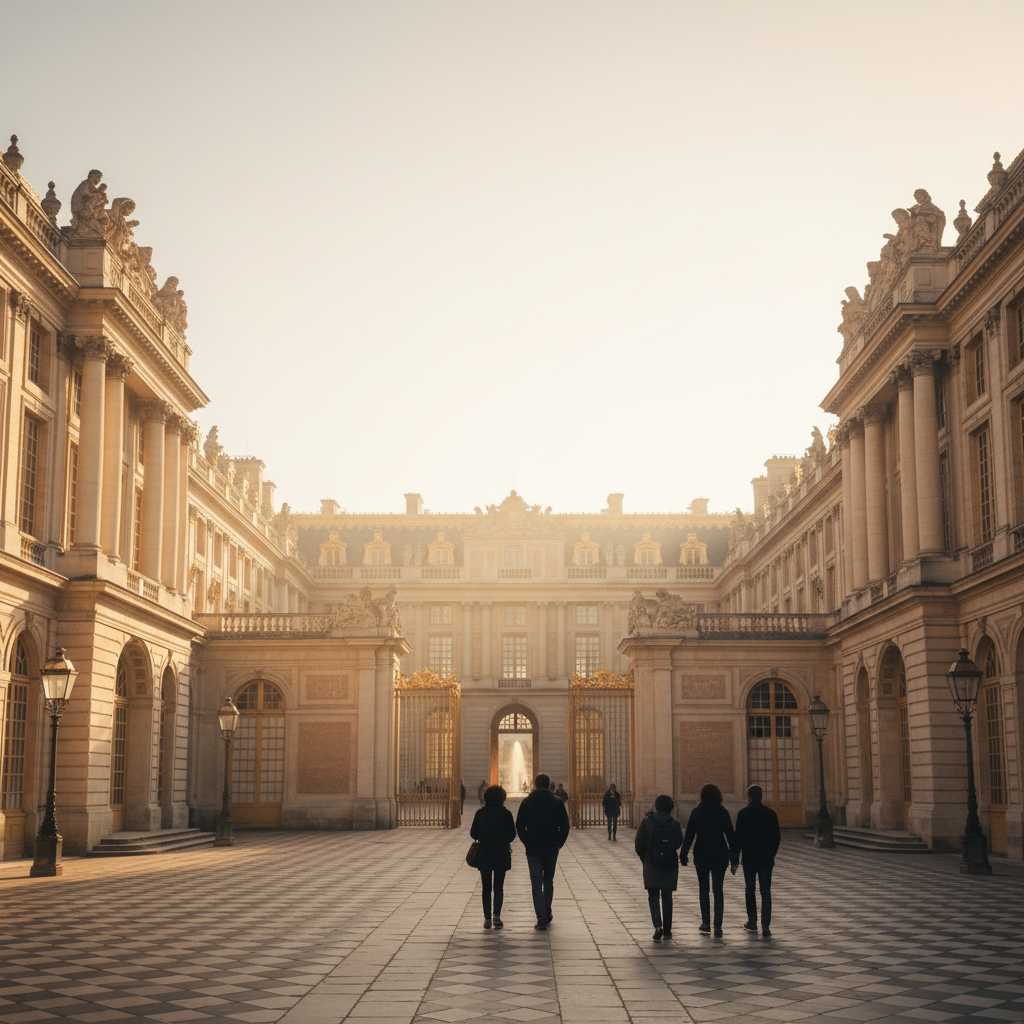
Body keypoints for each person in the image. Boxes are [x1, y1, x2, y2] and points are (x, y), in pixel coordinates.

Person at [680, 783, 738, 936]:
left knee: (703, 889)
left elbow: (689, 835)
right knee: (718, 890)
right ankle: (718, 925)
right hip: (720, 854)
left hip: (702, 853)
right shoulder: (722, 812)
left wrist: (683, 853)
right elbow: (731, 836)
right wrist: (734, 858)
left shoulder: (697, 812)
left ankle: (706, 923)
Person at [515, 773, 569, 930]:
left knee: (536, 883)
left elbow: (519, 825)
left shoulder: (527, 802)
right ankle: (546, 911)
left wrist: (526, 841)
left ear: (535, 784)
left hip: (533, 848)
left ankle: (541, 917)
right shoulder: (557, 802)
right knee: (548, 881)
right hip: (551, 847)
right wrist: (559, 843)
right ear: (548, 785)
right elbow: (565, 826)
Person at [634, 795, 684, 941]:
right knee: (667, 896)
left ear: (655, 806)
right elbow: (679, 841)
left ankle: (657, 926)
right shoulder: (674, 823)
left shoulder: (647, 822)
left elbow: (639, 843)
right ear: (670, 807)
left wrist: (645, 857)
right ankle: (668, 929)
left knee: (653, 895)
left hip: (651, 862)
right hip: (669, 864)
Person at [734, 784, 781, 938]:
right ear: (761, 796)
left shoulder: (743, 814)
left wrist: (735, 857)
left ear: (749, 797)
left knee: (750, 889)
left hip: (749, 858)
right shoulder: (770, 813)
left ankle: (752, 921)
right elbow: (777, 837)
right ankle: (765, 925)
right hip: (766, 858)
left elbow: (738, 838)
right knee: (765, 891)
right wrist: (771, 853)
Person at [470, 784, 517, 929]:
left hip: (484, 853)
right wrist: (502, 840)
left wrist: (484, 837)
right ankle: (497, 915)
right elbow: (512, 834)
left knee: (486, 887)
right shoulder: (506, 814)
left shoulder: (480, 813)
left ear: (486, 798)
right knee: (498, 886)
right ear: (502, 798)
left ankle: (487, 918)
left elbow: (473, 833)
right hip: (501, 853)